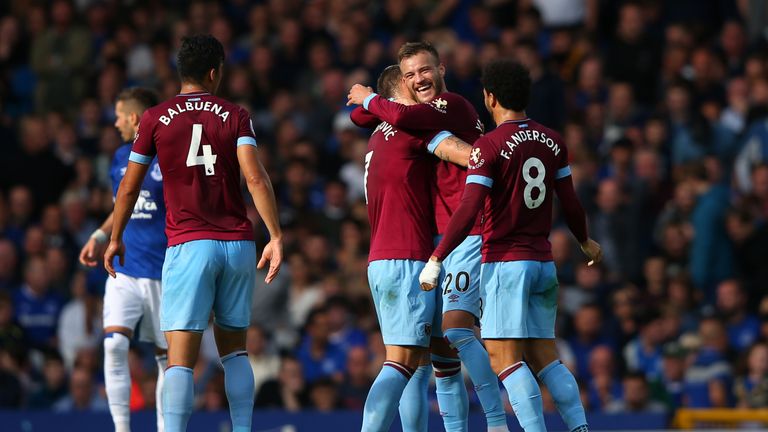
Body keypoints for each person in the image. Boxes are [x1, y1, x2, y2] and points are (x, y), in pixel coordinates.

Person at [104, 35, 282, 432]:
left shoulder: (154, 118)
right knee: (235, 352)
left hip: (188, 245)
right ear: (214, 72)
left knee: (180, 359)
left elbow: (129, 187)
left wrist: (115, 237)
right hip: (237, 244)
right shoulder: (236, 114)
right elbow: (254, 176)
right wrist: (274, 235)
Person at [419, 59, 602, 432]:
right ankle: (581, 428)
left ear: (490, 98)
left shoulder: (489, 146)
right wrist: (584, 241)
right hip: (542, 262)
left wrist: (438, 255)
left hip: (505, 262)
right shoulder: (553, 140)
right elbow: (570, 203)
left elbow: (469, 208)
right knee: (545, 357)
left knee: (504, 359)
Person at [348, 41, 508, 432]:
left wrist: (367, 102)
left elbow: (362, 117)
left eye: (424, 71)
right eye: (409, 79)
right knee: (406, 361)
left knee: (436, 356)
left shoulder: (416, 120)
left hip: (422, 248)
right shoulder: (413, 131)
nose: (419, 84)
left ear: (441, 69)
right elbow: (460, 152)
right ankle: (498, 420)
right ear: (398, 94)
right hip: (414, 253)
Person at [78, 87, 166, 432]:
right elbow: (122, 206)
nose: (114, 123)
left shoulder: (169, 159)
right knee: (114, 345)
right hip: (124, 270)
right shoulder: (119, 158)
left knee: (167, 362)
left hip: (163, 273)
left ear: (133, 117)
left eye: (118, 115)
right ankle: (121, 429)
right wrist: (99, 236)